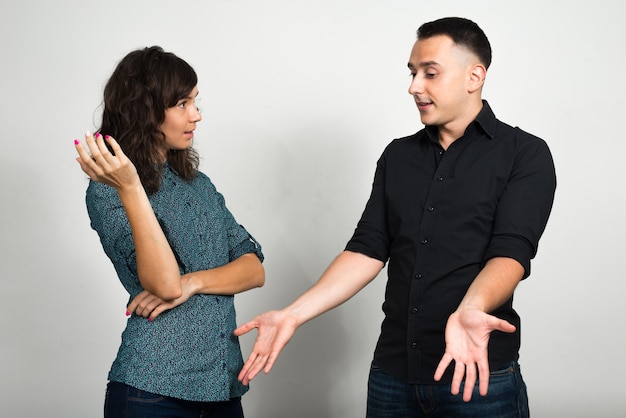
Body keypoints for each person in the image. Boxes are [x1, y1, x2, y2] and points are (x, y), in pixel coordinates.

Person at [234, 17, 556, 417]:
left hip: (478, 377)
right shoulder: (398, 156)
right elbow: (368, 249)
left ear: (474, 76)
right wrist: (292, 314)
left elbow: (511, 252)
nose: (414, 86)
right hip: (392, 377)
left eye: (430, 73)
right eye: (412, 72)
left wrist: (471, 309)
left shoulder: (524, 154)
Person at [74, 46, 265, 418]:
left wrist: (192, 281)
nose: (196, 115)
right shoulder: (108, 190)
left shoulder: (199, 184)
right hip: (153, 390)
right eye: (182, 103)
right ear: (145, 110)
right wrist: (130, 186)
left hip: (223, 385)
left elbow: (254, 270)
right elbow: (163, 285)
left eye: (195, 102)